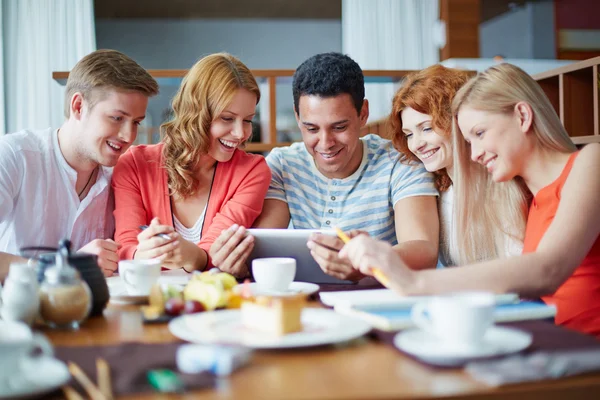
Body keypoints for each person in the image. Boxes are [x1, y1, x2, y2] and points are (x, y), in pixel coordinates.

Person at [341, 63, 600, 337]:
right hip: (545, 336)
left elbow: (547, 270)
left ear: (522, 116)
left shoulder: (591, 161)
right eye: (468, 139)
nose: (474, 153)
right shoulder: (533, 194)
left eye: (479, 134)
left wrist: (414, 281)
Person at [210, 52, 439, 281]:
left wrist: (365, 263)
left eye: (339, 127)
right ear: (298, 117)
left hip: (377, 300)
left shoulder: (401, 163)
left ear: (363, 114)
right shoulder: (283, 165)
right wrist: (238, 261)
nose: (326, 143)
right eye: (311, 129)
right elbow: (265, 244)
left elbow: (424, 250)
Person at [0, 49, 158, 279]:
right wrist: (62, 268)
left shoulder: (123, 176)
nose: (128, 136)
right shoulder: (15, 155)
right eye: (117, 118)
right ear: (78, 106)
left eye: (136, 123)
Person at [112, 53, 271, 274]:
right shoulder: (134, 165)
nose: (240, 133)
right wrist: (140, 254)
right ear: (195, 112)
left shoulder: (252, 172)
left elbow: (216, 252)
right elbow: (126, 246)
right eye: (227, 118)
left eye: (247, 120)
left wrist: (191, 255)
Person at [391, 64, 528, 266]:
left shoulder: (502, 187)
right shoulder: (438, 191)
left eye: (427, 128)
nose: (417, 144)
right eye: (409, 134)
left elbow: (520, 269)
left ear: (457, 122)